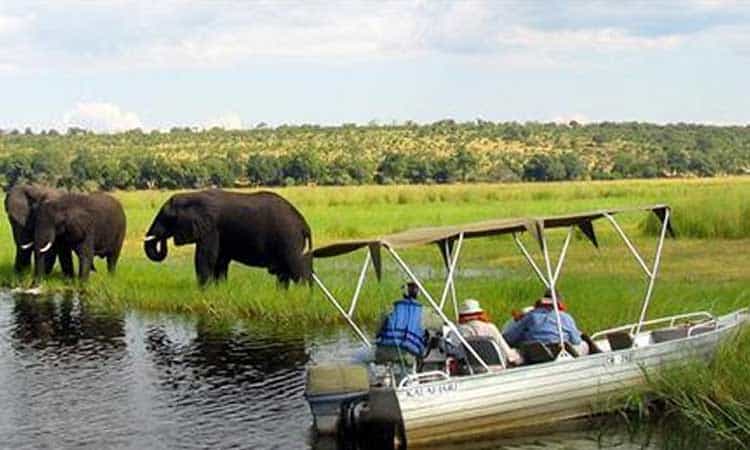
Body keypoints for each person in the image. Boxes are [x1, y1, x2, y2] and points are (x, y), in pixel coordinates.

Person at [502, 289, 589, 356]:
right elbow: (576, 340)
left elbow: (509, 337)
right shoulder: (565, 317)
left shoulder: (531, 316)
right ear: (559, 303)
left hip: (535, 354)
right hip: (560, 353)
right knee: (584, 345)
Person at [375, 282, 427, 367]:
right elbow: (439, 326)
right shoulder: (424, 312)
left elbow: (377, 332)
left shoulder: (390, 308)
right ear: (418, 294)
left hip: (383, 352)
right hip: (406, 355)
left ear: (403, 293)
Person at [457, 299, 522, 366]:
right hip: (496, 366)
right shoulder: (490, 328)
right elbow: (506, 350)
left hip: (472, 367)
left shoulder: (459, 330)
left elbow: (457, 352)